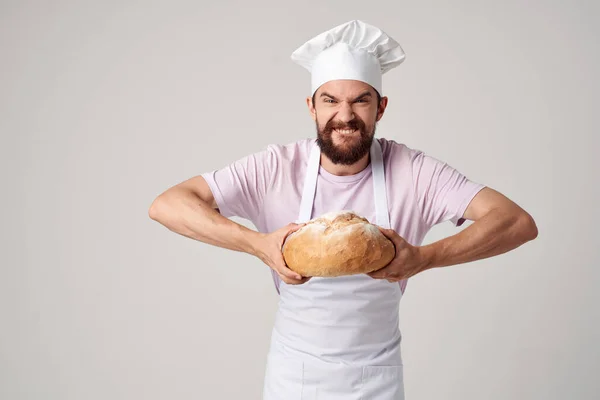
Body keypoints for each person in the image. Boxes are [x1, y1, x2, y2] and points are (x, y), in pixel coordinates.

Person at [148, 20, 538, 400]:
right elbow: (168, 205)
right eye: (330, 100)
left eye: (360, 100)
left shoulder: (414, 172)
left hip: (377, 378)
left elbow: (516, 222)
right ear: (311, 107)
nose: (345, 116)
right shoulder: (275, 169)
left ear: (380, 108)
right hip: (295, 378)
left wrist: (423, 258)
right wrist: (258, 245)